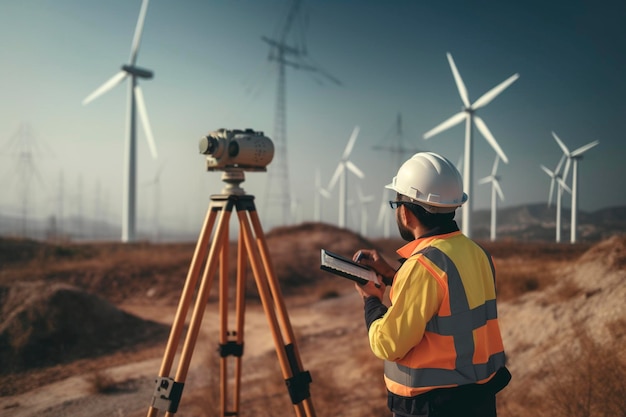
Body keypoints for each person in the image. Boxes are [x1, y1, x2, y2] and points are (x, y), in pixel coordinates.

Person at [352, 152, 511, 417]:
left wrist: (371, 301)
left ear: (406, 213)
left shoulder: (423, 267)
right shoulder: (477, 253)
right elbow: (448, 300)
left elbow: (387, 343)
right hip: (479, 400)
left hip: (435, 406)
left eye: (396, 203)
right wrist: (393, 276)